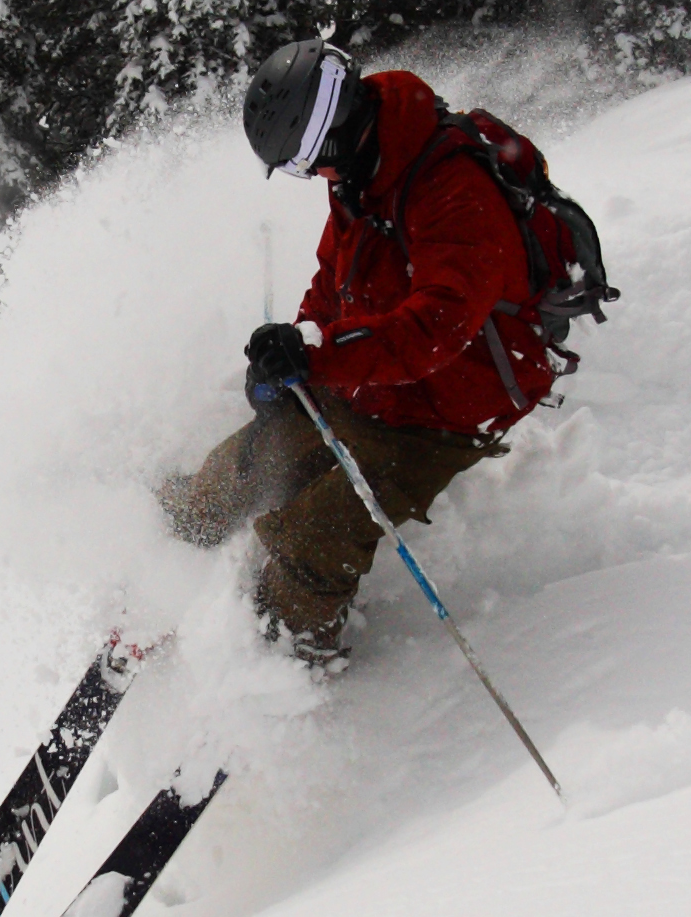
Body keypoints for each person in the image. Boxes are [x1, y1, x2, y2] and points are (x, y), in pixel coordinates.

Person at [157, 39, 556, 666]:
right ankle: (166, 546)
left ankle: (285, 661)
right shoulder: (362, 172)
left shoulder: (453, 188)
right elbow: (332, 281)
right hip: (371, 375)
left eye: (303, 161)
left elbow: (436, 328)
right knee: (241, 467)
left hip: (446, 407)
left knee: (316, 535)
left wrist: (318, 359)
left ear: (330, 129)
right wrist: (291, 349)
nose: (311, 175)